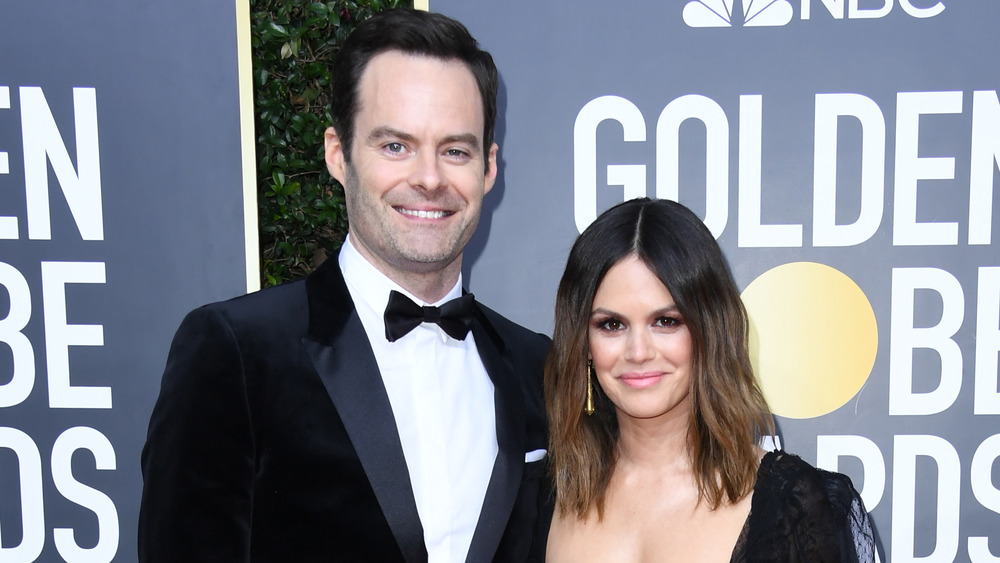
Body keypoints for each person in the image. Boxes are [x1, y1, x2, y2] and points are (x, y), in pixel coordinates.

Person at [139, 9, 549, 562]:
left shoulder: (537, 367)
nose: (429, 178)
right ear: (338, 154)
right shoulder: (237, 351)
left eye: (455, 150)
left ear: (489, 168)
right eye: (395, 146)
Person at [538, 198, 876, 562]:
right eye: (611, 324)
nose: (638, 352)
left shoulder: (799, 507)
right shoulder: (541, 495)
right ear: (583, 343)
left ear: (707, 330)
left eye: (666, 321)